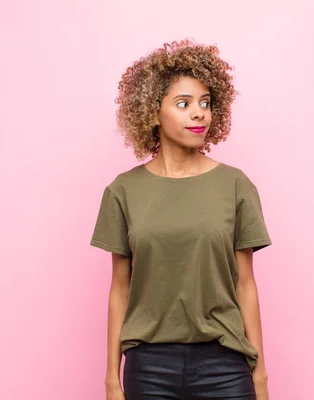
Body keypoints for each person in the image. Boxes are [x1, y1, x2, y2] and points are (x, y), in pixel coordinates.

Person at [91, 39, 272, 400]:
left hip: (225, 363)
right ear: (152, 112)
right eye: (183, 104)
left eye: (205, 103)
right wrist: (112, 379)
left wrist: (261, 375)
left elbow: (246, 285)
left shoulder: (236, 186)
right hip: (150, 367)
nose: (199, 113)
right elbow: (120, 289)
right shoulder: (123, 191)